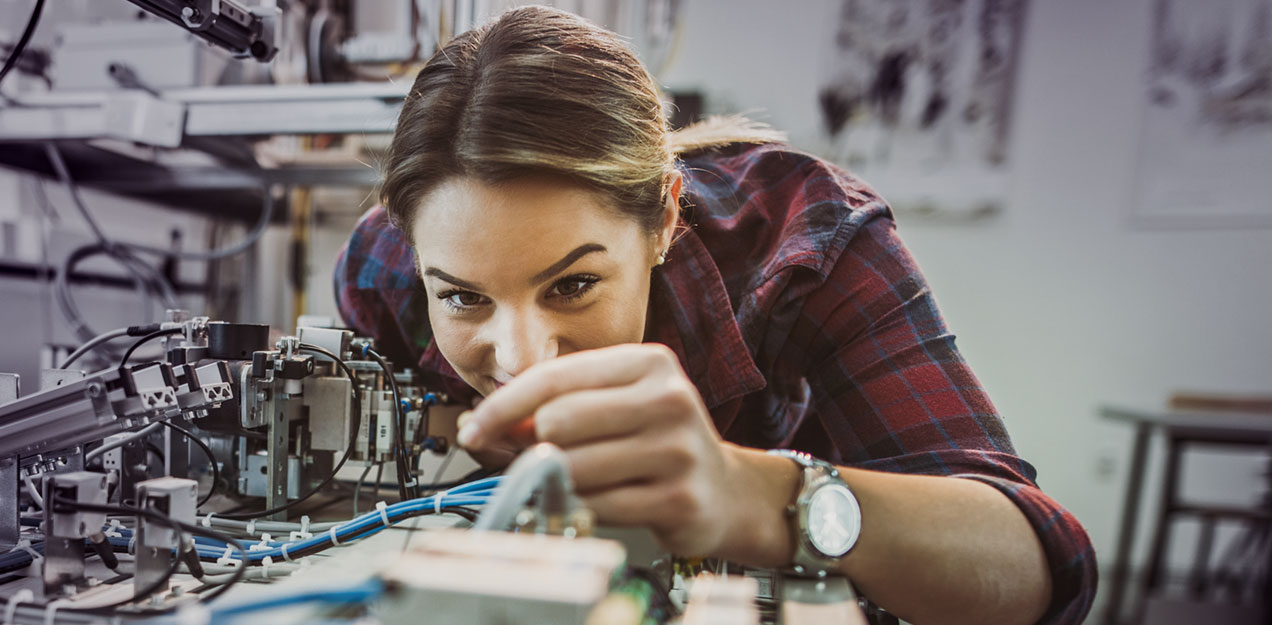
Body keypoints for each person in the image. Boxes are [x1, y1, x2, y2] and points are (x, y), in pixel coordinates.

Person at [333, 7, 1093, 625]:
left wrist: (757, 496)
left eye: (573, 285)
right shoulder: (382, 270)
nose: (524, 358)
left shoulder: (808, 244)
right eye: (465, 297)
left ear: (664, 217)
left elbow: (1041, 567)